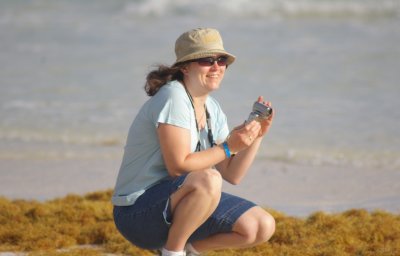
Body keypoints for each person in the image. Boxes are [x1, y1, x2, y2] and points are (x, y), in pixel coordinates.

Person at [112, 28, 275, 256]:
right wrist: (229, 147)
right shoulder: (173, 96)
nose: (216, 66)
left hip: (180, 206)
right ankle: (172, 252)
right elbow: (178, 166)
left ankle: (189, 250)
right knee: (209, 179)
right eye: (207, 60)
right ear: (185, 67)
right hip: (137, 213)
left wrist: (256, 137)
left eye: (222, 60)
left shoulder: (212, 108)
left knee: (259, 226)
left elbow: (232, 174)